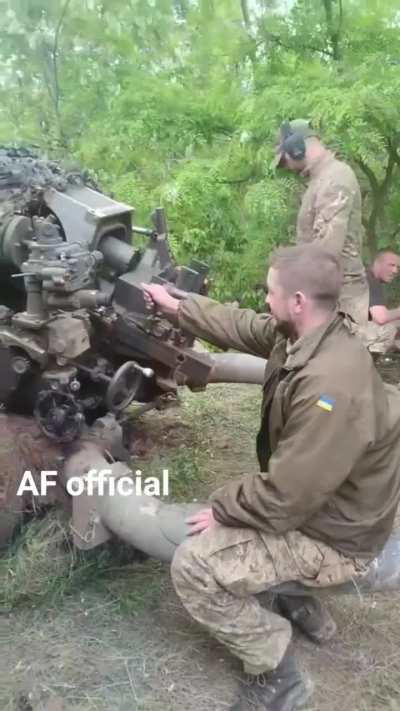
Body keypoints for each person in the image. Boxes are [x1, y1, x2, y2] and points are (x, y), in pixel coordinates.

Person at [141, 244, 400, 711]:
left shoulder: (331, 386)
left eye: (270, 292)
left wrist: (222, 508)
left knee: (196, 565)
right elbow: (244, 326)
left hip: (336, 537)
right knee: (243, 516)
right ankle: (300, 605)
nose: (264, 299)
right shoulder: (312, 333)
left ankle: (276, 671)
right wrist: (179, 306)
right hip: (327, 507)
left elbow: (284, 497)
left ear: (298, 301)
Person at [274, 119, 369, 325]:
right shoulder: (321, 179)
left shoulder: (334, 179)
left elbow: (325, 253)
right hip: (327, 297)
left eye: (284, 159)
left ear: (296, 147)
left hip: (339, 303)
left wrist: (287, 284)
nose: (287, 166)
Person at [360, 249, 400, 354]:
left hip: (338, 330)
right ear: (377, 264)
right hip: (342, 333)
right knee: (390, 329)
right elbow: (381, 318)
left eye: (398, 267)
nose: (395, 271)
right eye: (391, 265)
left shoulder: (364, 276)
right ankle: (372, 359)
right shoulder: (370, 280)